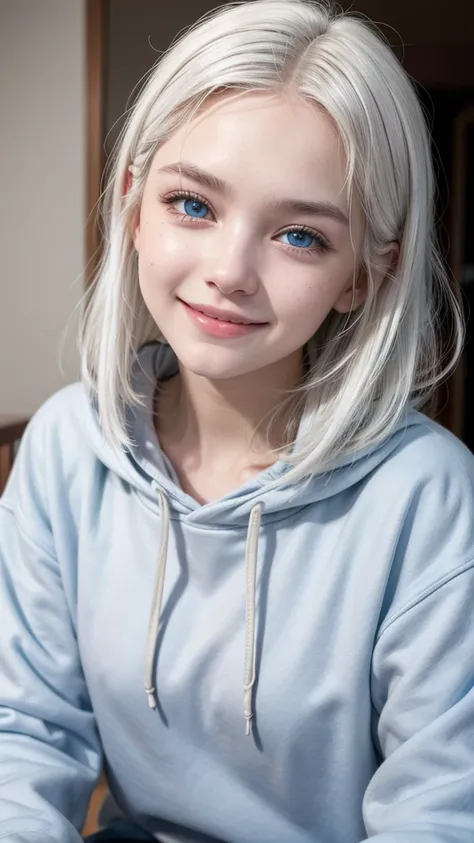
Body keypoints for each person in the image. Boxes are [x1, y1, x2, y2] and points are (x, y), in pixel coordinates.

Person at [1, 0, 473, 841]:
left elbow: (439, 809)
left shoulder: (429, 498)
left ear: (364, 276)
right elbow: (24, 736)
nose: (229, 271)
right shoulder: (66, 447)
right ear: (132, 204)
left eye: (299, 235)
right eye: (193, 204)